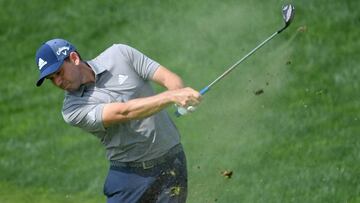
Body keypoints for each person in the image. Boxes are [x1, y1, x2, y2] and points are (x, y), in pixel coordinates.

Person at [35, 38, 201, 203]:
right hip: (130, 178)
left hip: (172, 163)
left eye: (59, 73)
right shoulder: (72, 109)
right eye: (51, 79)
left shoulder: (120, 54)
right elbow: (124, 112)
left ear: (74, 58)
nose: (57, 82)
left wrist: (180, 94)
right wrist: (171, 97)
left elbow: (168, 78)